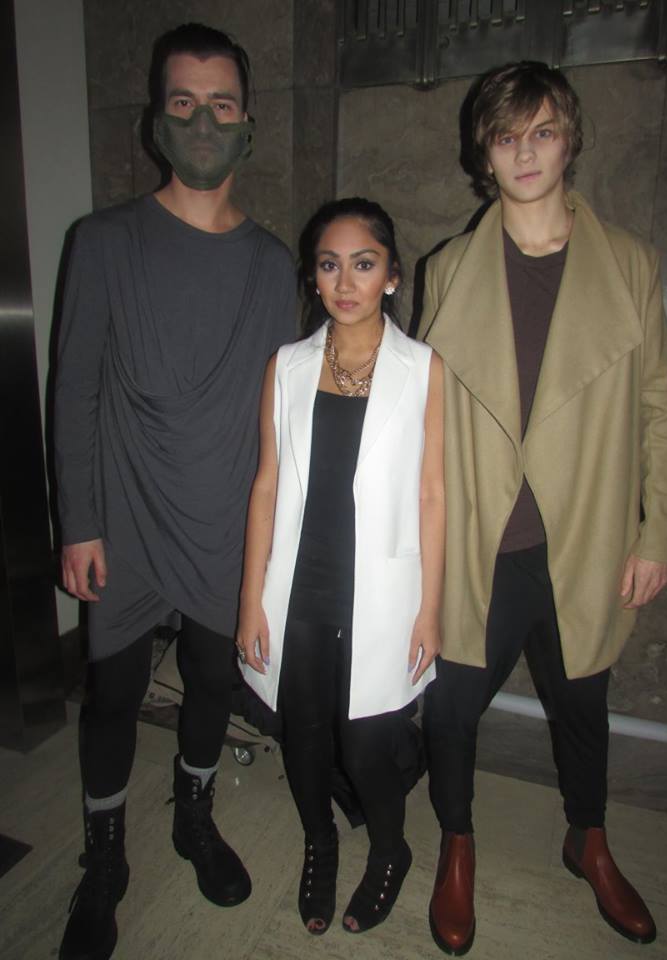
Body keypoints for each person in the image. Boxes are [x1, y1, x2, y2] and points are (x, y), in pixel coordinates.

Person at [418, 61, 667, 955]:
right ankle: (458, 842)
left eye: (542, 132)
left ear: (570, 141)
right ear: (483, 153)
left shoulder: (631, 265)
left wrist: (657, 530)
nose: (524, 152)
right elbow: (424, 420)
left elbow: (659, 409)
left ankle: (588, 839)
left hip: (584, 537)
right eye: (506, 136)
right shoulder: (448, 269)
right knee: (450, 707)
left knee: (582, 704)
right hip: (480, 541)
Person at [54, 23, 296, 960]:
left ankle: (194, 816)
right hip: (123, 514)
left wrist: (276, 541)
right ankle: (104, 858)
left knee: (210, 680)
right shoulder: (102, 241)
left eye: (222, 104)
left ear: (248, 123)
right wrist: (78, 521)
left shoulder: (273, 264)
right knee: (114, 692)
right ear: (157, 119)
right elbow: (73, 389)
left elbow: (277, 414)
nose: (203, 122)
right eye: (184, 102)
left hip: (225, 521)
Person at [236, 197, 445, 936]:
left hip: (381, 592)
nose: (346, 281)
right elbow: (266, 485)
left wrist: (430, 609)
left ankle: (390, 850)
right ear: (314, 277)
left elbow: (432, 493)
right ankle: (319, 842)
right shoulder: (287, 366)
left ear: (391, 275)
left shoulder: (423, 369)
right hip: (298, 587)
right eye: (330, 265)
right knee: (303, 733)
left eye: (364, 264)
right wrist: (250, 600)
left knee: (366, 743)